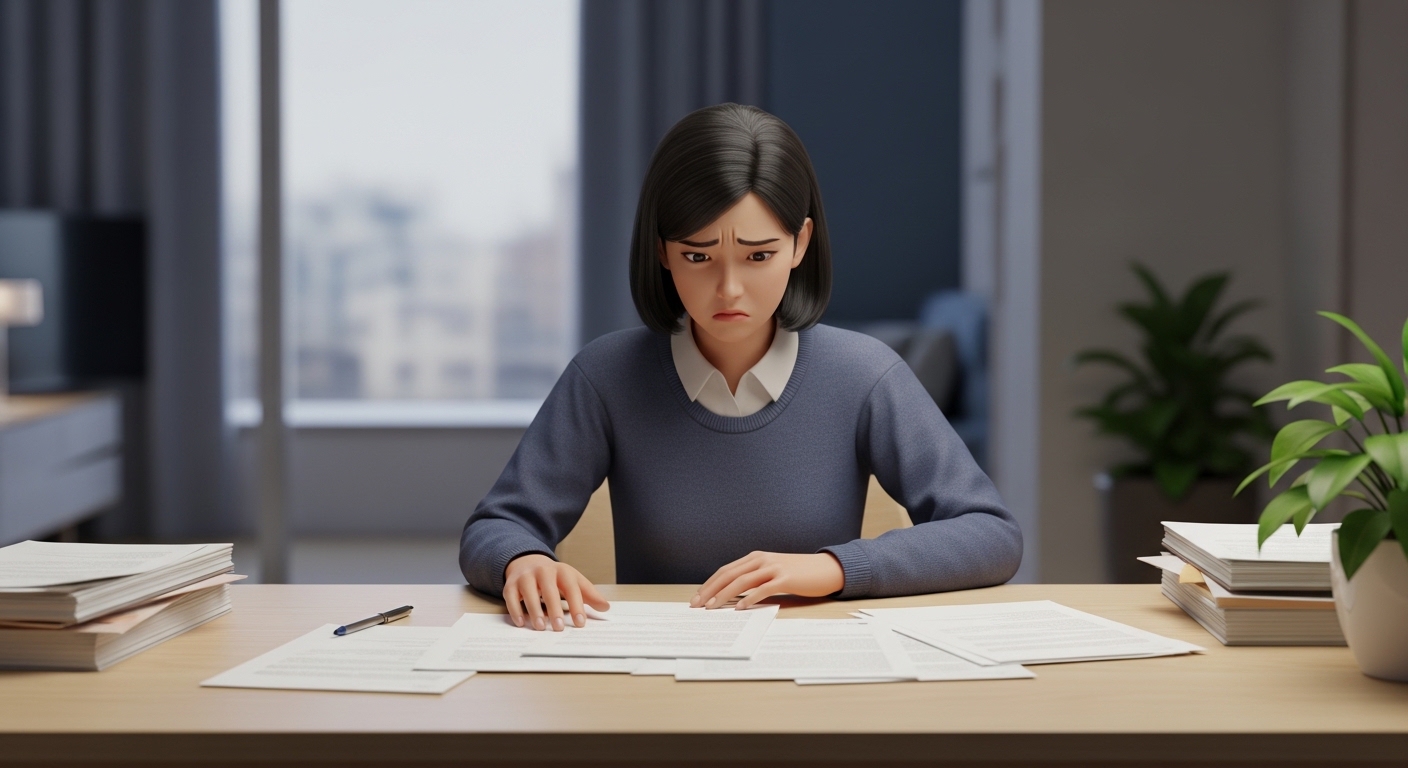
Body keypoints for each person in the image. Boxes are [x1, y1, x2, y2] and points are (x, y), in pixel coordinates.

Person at [460, 103, 1022, 631]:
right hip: (657, 679)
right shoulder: (605, 376)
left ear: (801, 243)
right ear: (661, 252)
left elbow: (990, 534)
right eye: (698, 257)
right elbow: (496, 526)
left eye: (759, 255)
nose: (729, 289)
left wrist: (832, 568)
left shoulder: (865, 375)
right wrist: (523, 559)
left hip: (815, 675)